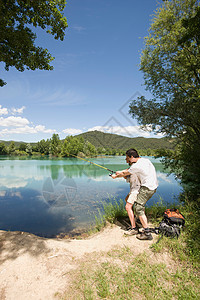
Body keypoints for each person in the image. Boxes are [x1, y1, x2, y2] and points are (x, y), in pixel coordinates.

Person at [111, 148, 158, 240]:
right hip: (152, 186)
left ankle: (139, 230)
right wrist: (120, 173)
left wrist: (116, 175)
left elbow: (126, 172)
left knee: (136, 207)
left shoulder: (136, 167)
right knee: (128, 201)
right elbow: (127, 172)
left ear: (132, 157)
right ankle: (136, 220)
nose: (126, 160)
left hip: (145, 188)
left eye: (127, 158)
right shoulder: (145, 161)